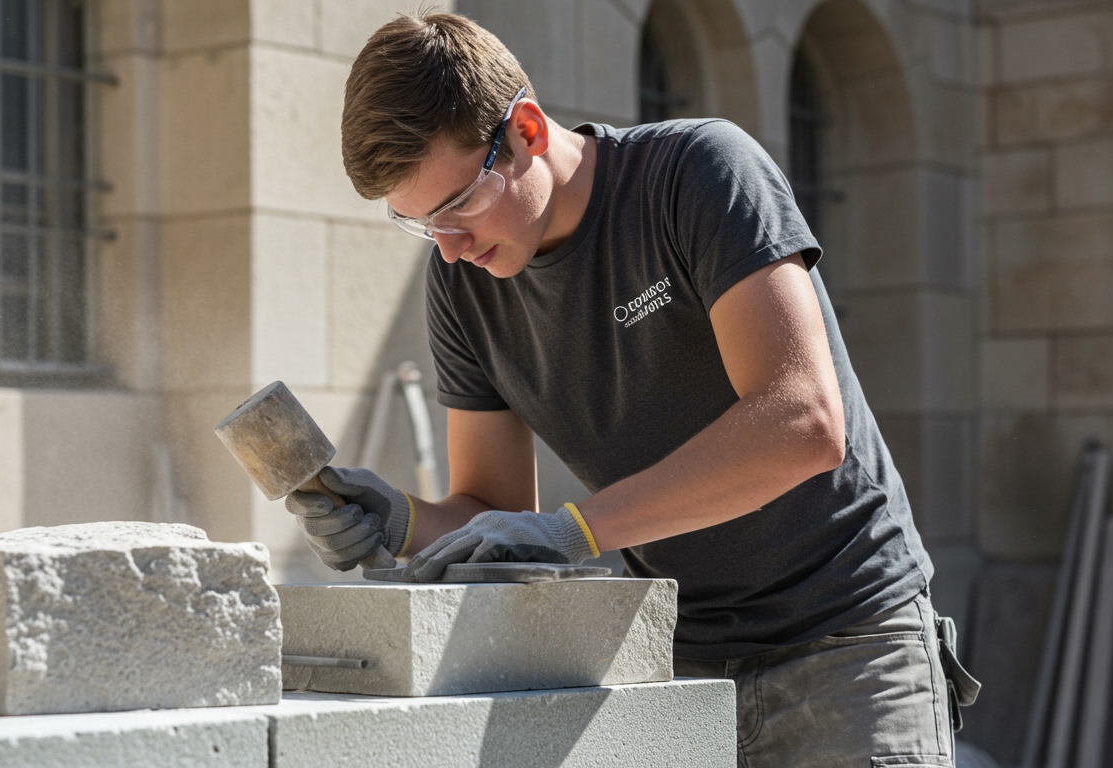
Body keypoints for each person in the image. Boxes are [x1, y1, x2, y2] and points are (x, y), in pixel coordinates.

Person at [283, 11, 978, 767]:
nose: (448, 250)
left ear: (525, 131)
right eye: (417, 224)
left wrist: (576, 530)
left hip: (847, 641)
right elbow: (497, 514)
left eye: (455, 207)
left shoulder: (697, 174)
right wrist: (403, 519)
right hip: (675, 658)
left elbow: (802, 422)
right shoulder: (465, 286)